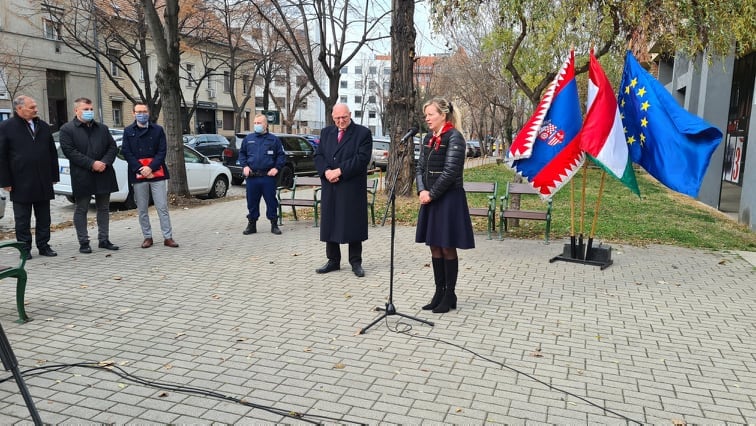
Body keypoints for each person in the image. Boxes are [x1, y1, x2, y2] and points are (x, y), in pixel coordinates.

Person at [415, 97, 475, 313]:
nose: (427, 118)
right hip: (430, 197)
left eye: (430, 114)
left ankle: (450, 294)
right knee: (434, 245)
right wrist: (422, 190)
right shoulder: (428, 139)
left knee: (447, 245)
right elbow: (420, 167)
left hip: (448, 199)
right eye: (426, 115)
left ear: (443, 115)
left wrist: (431, 194)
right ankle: (438, 291)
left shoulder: (455, 138)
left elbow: (450, 172)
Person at [313, 103, 372, 277]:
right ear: (333, 117)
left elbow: (362, 159)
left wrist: (340, 171)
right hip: (330, 185)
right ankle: (333, 260)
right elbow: (318, 155)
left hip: (351, 186)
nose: (341, 121)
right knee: (330, 223)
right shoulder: (326, 133)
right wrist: (326, 172)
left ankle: (355, 262)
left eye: (344, 117)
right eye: (337, 118)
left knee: (353, 224)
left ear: (350, 115)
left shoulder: (363, 133)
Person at [0, 95, 60, 259]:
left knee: (44, 217)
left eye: (35, 106)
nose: (36, 109)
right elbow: (2, 156)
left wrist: (54, 175)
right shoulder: (6, 127)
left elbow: (52, 152)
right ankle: (24, 249)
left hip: (42, 179)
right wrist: (5, 180)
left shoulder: (43, 126)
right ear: (19, 109)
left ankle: (44, 245)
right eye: (31, 107)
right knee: (22, 219)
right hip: (20, 180)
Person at [59, 97, 119, 254]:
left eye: (91, 109)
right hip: (82, 175)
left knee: (104, 208)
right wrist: (92, 164)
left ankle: (104, 239)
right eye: (86, 109)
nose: (89, 112)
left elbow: (112, 147)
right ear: (76, 110)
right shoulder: (67, 129)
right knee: (82, 209)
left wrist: (104, 162)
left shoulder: (102, 128)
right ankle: (84, 242)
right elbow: (70, 152)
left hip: (103, 173)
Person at [120, 102, 179, 248]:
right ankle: (147, 237)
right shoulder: (128, 131)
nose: (142, 114)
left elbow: (162, 151)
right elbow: (126, 152)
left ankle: (168, 237)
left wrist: (151, 168)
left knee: (162, 206)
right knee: (142, 208)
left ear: (149, 113)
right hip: (138, 174)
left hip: (156, 173)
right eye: (139, 112)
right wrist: (141, 169)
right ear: (133, 114)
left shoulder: (158, 130)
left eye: (144, 111)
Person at [238, 114, 285, 235]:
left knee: (271, 201)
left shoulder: (273, 139)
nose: (256, 125)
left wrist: (276, 168)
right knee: (252, 202)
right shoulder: (248, 139)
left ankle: (274, 224)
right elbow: (242, 154)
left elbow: (281, 155)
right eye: (255, 123)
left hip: (268, 177)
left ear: (265, 124)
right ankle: (252, 224)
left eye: (259, 123)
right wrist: (245, 166)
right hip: (252, 177)